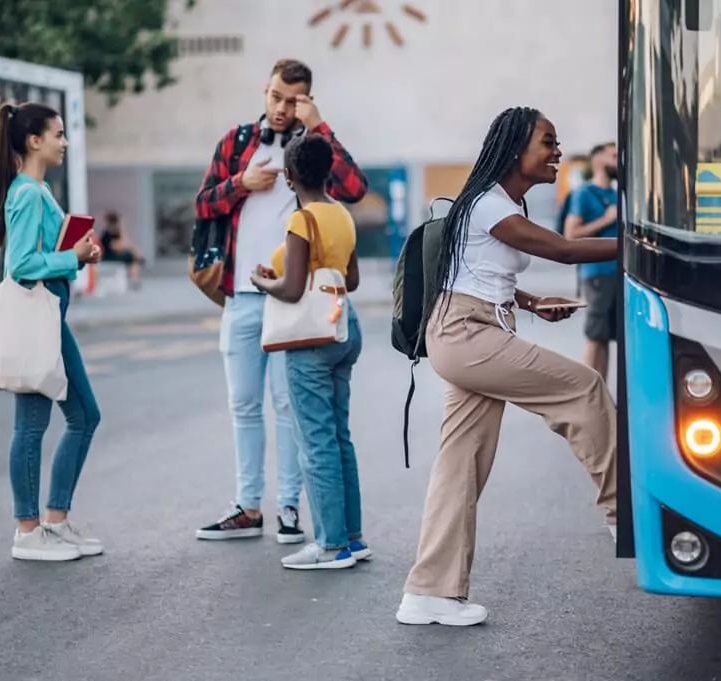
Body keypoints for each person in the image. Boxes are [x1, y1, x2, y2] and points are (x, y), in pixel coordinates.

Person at [396, 108, 619, 627]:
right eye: (548, 142)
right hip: (467, 335)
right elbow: (563, 249)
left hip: (475, 328)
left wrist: (532, 300)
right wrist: (650, 246)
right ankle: (622, 514)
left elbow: (474, 272)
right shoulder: (486, 204)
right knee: (584, 388)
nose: (558, 152)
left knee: (460, 466)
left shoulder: (496, 204)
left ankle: (428, 592)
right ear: (517, 148)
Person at [194, 58, 368, 544]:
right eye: (275, 96)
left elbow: (355, 189)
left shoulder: (311, 149)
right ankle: (249, 507)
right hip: (242, 296)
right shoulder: (236, 143)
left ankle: (289, 509)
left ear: (306, 99)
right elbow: (202, 203)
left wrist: (319, 125)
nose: (281, 108)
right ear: (265, 91)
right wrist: (240, 185)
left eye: (293, 100)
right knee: (243, 405)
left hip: (295, 297)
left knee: (289, 406)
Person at [0, 102, 103, 562]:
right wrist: (73, 257)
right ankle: (27, 532)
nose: (64, 141)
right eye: (58, 134)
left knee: (85, 416)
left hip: (50, 318)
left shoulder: (35, 189)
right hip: (37, 319)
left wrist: (78, 252)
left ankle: (55, 521)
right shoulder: (28, 194)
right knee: (32, 426)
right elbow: (20, 266)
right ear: (34, 140)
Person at [251, 133, 368, 570]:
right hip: (344, 326)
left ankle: (331, 546)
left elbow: (292, 287)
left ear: (289, 176)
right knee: (339, 436)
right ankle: (353, 537)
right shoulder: (341, 215)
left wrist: (262, 281)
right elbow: (349, 279)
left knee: (315, 441)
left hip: (312, 340)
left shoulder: (301, 221)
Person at [564, 142, 618, 378]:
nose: (619, 161)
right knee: (595, 337)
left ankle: (601, 396)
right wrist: (606, 220)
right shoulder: (583, 193)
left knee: (606, 338)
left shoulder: (617, 194)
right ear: (598, 161)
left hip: (620, 274)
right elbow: (571, 234)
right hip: (597, 274)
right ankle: (588, 396)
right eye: (614, 156)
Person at [99, 210, 145, 288]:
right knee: (132, 255)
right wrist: (122, 230)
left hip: (115, 254)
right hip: (109, 256)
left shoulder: (115, 233)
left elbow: (124, 243)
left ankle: (135, 278)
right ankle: (135, 278)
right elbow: (118, 247)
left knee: (133, 256)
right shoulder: (108, 234)